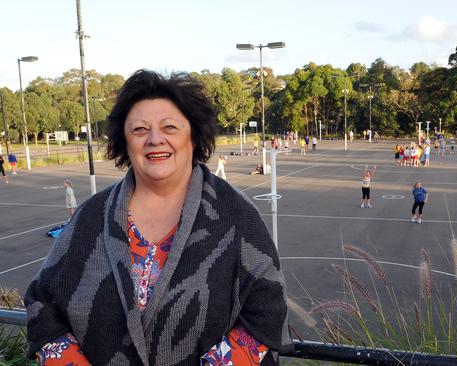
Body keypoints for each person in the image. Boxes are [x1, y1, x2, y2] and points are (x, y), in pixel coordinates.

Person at [25, 70, 291, 365]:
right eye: (139, 130)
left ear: (193, 135)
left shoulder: (235, 214)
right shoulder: (91, 218)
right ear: (125, 142)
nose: (155, 139)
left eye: (170, 127)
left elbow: (267, 306)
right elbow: (42, 304)